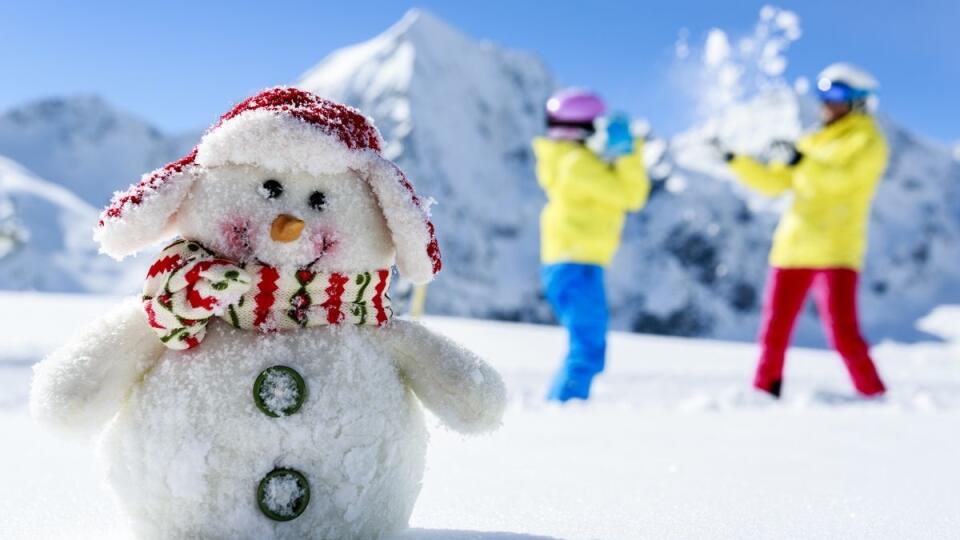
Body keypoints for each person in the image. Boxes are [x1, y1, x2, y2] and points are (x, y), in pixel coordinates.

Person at [719, 63, 889, 398]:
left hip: (836, 249)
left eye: (837, 94)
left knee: (842, 331)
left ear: (859, 100)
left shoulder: (867, 141)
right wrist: (734, 159)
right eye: (823, 94)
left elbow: (841, 181)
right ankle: (764, 391)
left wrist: (802, 162)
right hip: (793, 246)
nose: (827, 102)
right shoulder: (811, 141)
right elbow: (774, 183)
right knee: (774, 329)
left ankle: (873, 393)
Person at [532, 89, 650, 402]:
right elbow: (632, 195)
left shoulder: (571, 160)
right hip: (576, 264)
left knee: (587, 345)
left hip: (576, 262)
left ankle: (563, 406)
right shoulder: (577, 164)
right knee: (588, 348)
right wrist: (629, 151)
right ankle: (563, 410)